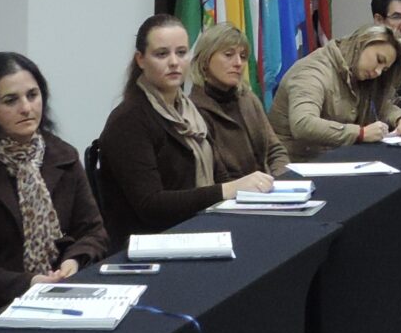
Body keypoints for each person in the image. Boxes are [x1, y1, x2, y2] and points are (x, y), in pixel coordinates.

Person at [0, 50, 111, 323]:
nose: (26, 108)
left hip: (65, 294)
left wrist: (73, 262)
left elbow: (93, 231)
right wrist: (27, 283)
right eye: (11, 100)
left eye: (32, 95)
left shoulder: (62, 156)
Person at [105, 14, 287, 225]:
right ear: (141, 60)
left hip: (201, 223)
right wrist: (229, 190)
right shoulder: (129, 121)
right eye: (162, 54)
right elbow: (151, 206)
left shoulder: (189, 113)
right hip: (154, 239)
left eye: (181, 53)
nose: (174, 62)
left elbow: (218, 176)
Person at [269, 23, 401, 158]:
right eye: (379, 60)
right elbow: (303, 124)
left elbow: (382, 107)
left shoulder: (357, 73)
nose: (378, 72)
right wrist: (360, 133)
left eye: (384, 69)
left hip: (331, 160)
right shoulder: (312, 72)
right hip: (294, 166)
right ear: (362, 43)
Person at [189, 21, 296, 178]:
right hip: (229, 196)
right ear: (205, 60)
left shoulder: (248, 99)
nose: (238, 63)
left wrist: (283, 182)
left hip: (266, 191)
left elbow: (275, 151)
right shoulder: (195, 109)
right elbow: (216, 173)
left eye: (243, 56)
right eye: (228, 55)